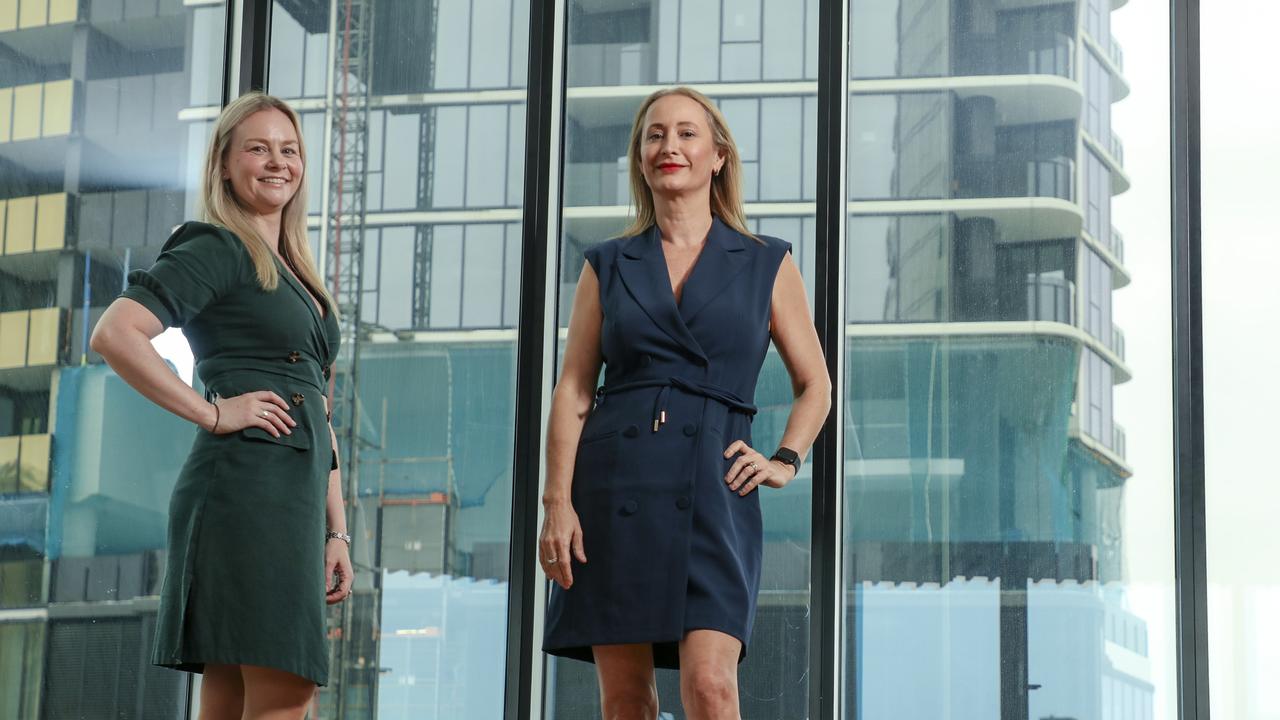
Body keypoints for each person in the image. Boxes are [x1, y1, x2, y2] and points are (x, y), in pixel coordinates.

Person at [540, 86, 832, 719]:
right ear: (640, 158)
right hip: (614, 488)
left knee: (711, 687)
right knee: (624, 700)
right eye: (653, 135)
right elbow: (574, 388)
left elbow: (817, 383)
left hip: (714, 488)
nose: (668, 146)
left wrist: (785, 457)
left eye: (686, 133)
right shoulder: (608, 264)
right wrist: (556, 503)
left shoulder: (765, 262)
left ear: (718, 155)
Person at [90, 92, 352, 720]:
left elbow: (320, 413)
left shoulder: (295, 269)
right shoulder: (217, 246)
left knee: (236, 697)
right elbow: (115, 333)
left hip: (290, 495)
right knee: (288, 692)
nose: (276, 162)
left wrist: (336, 529)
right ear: (225, 165)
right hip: (245, 491)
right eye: (257, 149)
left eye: (288, 150)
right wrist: (213, 413)